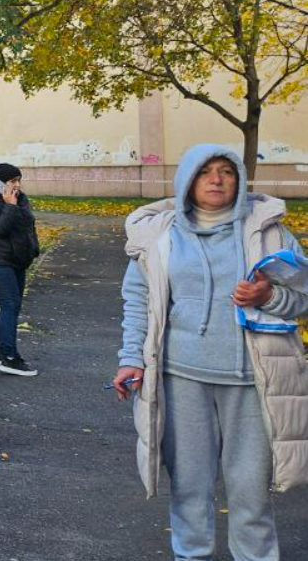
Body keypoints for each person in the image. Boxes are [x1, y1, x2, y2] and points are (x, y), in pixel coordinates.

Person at [114, 145, 308, 561]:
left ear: (239, 179)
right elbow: (138, 300)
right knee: (189, 490)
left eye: (226, 172)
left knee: (251, 496)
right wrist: (131, 357)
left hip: (254, 384)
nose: (216, 180)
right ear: (187, 181)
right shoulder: (159, 236)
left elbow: (302, 297)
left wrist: (269, 294)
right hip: (181, 378)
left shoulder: (269, 232)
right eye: (205, 173)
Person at [0, 162, 40, 376]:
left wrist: (33, 248)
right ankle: (10, 357)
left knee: (13, 306)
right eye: (13, 181)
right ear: (1, 183)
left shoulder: (19, 197)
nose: (17, 185)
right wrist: (9, 206)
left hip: (17, 261)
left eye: (19, 181)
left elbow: (27, 224)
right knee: (9, 305)